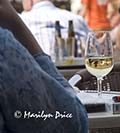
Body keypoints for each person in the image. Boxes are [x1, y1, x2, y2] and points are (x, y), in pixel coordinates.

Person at [0, 0, 88, 132]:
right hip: (61, 86)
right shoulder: (77, 19)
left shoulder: (25, 17)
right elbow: (72, 123)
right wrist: (16, 23)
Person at [20, 0, 90, 56]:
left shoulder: (22, 19)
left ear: (29, 1)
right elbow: (93, 49)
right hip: (74, 71)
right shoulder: (77, 19)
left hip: (38, 71)